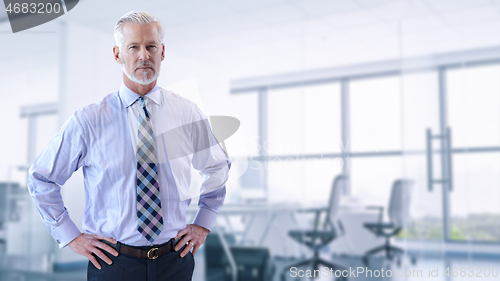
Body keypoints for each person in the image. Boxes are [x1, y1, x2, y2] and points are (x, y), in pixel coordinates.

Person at [28, 11, 230, 281]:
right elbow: (42, 179)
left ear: (162, 52)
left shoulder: (187, 113)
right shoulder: (88, 121)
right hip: (113, 264)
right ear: (117, 54)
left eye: (151, 46)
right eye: (133, 47)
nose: (144, 55)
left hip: (175, 261)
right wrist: (71, 236)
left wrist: (203, 224)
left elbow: (217, 166)